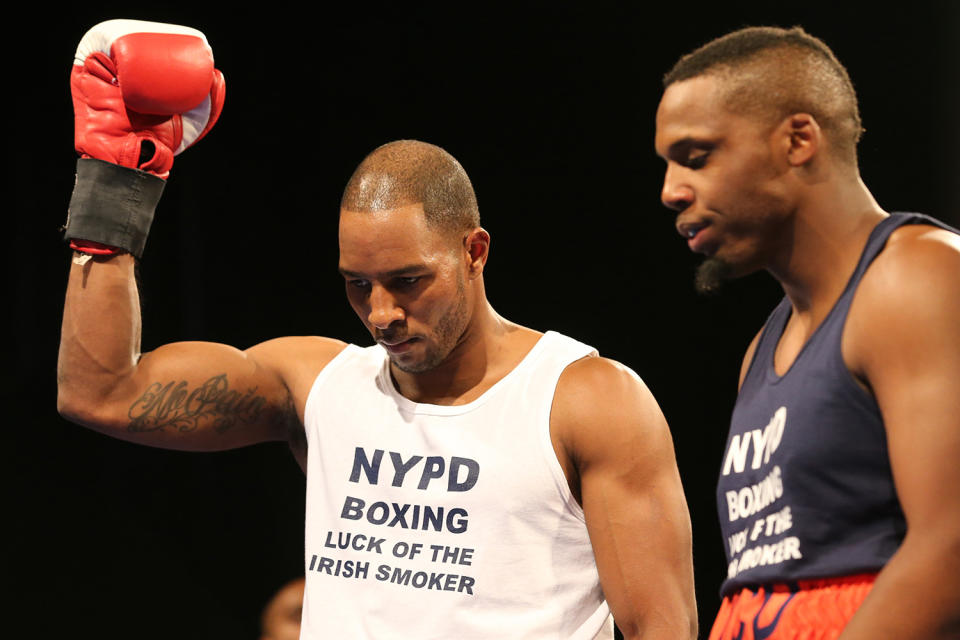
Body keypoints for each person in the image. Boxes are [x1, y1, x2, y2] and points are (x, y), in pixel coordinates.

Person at [57, 19, 697, 639]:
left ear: (474, 252)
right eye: (357, 285)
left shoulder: (584, 401)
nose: (382, 313)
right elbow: (102, 392)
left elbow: (662, 627)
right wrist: (116, 185)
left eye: (409, 281)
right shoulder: (319, 387)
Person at [654, 25, 960, 639]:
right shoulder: (763, 348)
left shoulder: (919, 278)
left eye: (696, 156)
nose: (670, 191)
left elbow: (951, 546)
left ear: (798, 140)